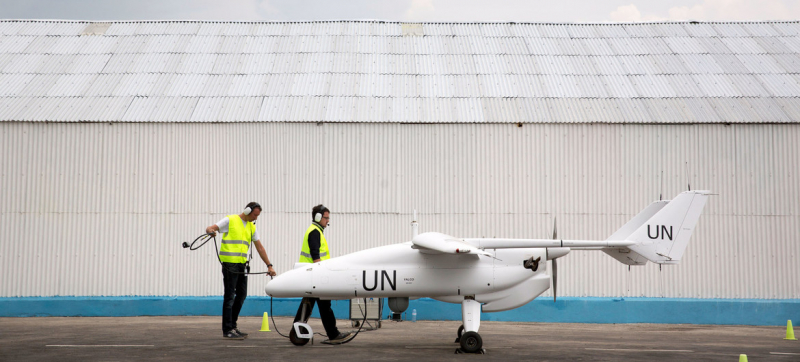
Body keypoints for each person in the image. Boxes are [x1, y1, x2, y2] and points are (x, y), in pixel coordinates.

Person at [205, 202, 276, 340]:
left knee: (242, 295)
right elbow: (210, 228)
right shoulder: (230, 220)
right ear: (247, 211)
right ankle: (227, 329)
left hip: (242, 265)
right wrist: (211, 232)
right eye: (255, 215)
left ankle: (233, 325)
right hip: (230, 265)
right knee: (230, 296)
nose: (256, 218)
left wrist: (269, 265)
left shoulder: (251, 227)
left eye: (258, 216)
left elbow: (259, 247)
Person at [293, 204, 352, 344]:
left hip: (313, 275)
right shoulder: (314, 232)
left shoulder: (315, 231)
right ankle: (333, 334)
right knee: (324, 306)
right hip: (316, 276)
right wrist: (322, 273)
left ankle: (296, 332)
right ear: (318, 217)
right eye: (326, 218)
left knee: (307, 304)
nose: (328, 221)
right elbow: (315, 255)